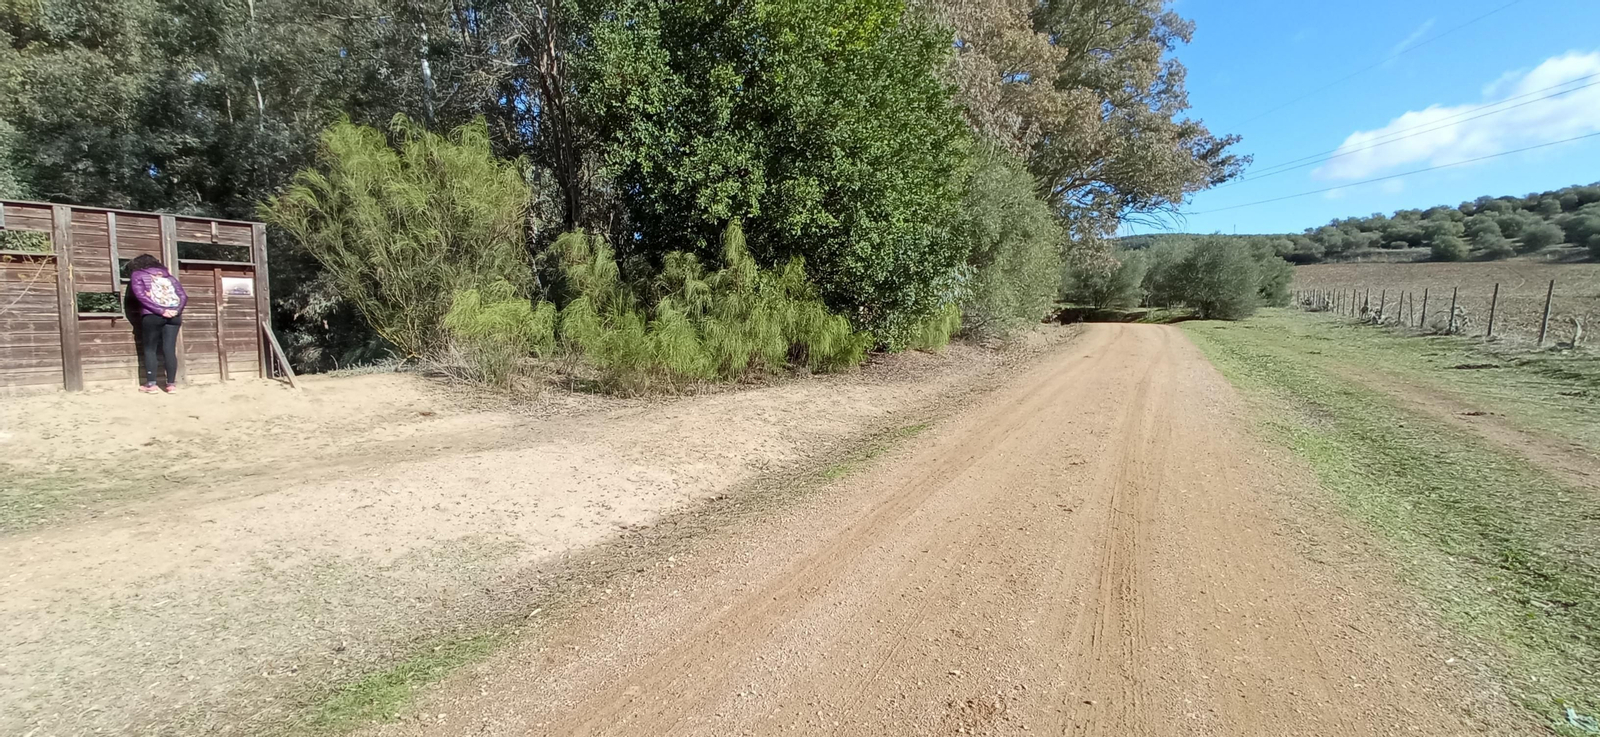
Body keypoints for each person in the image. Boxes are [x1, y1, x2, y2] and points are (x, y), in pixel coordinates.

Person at [128, 254, 188, 393]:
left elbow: (140, 296)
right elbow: (183, 296)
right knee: (169, 349)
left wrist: (160, 311)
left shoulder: (138, 274)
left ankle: (151, 384)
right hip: (174, 316)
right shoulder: (168, 276)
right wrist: (176, 310)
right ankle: (171, 385)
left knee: (150, 349)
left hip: (152, 315)